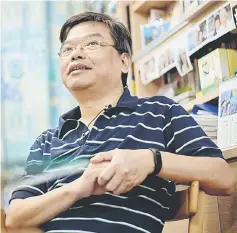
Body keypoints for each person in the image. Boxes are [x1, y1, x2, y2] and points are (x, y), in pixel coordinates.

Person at [6, 12, 236, 233]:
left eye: (92, 44)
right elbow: (15, 218)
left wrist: (151, 160)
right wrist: (79, 188)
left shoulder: (160, 112)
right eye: (68, 49)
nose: (75, 54)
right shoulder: (47, 141)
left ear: (124, 62)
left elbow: (224, 178)